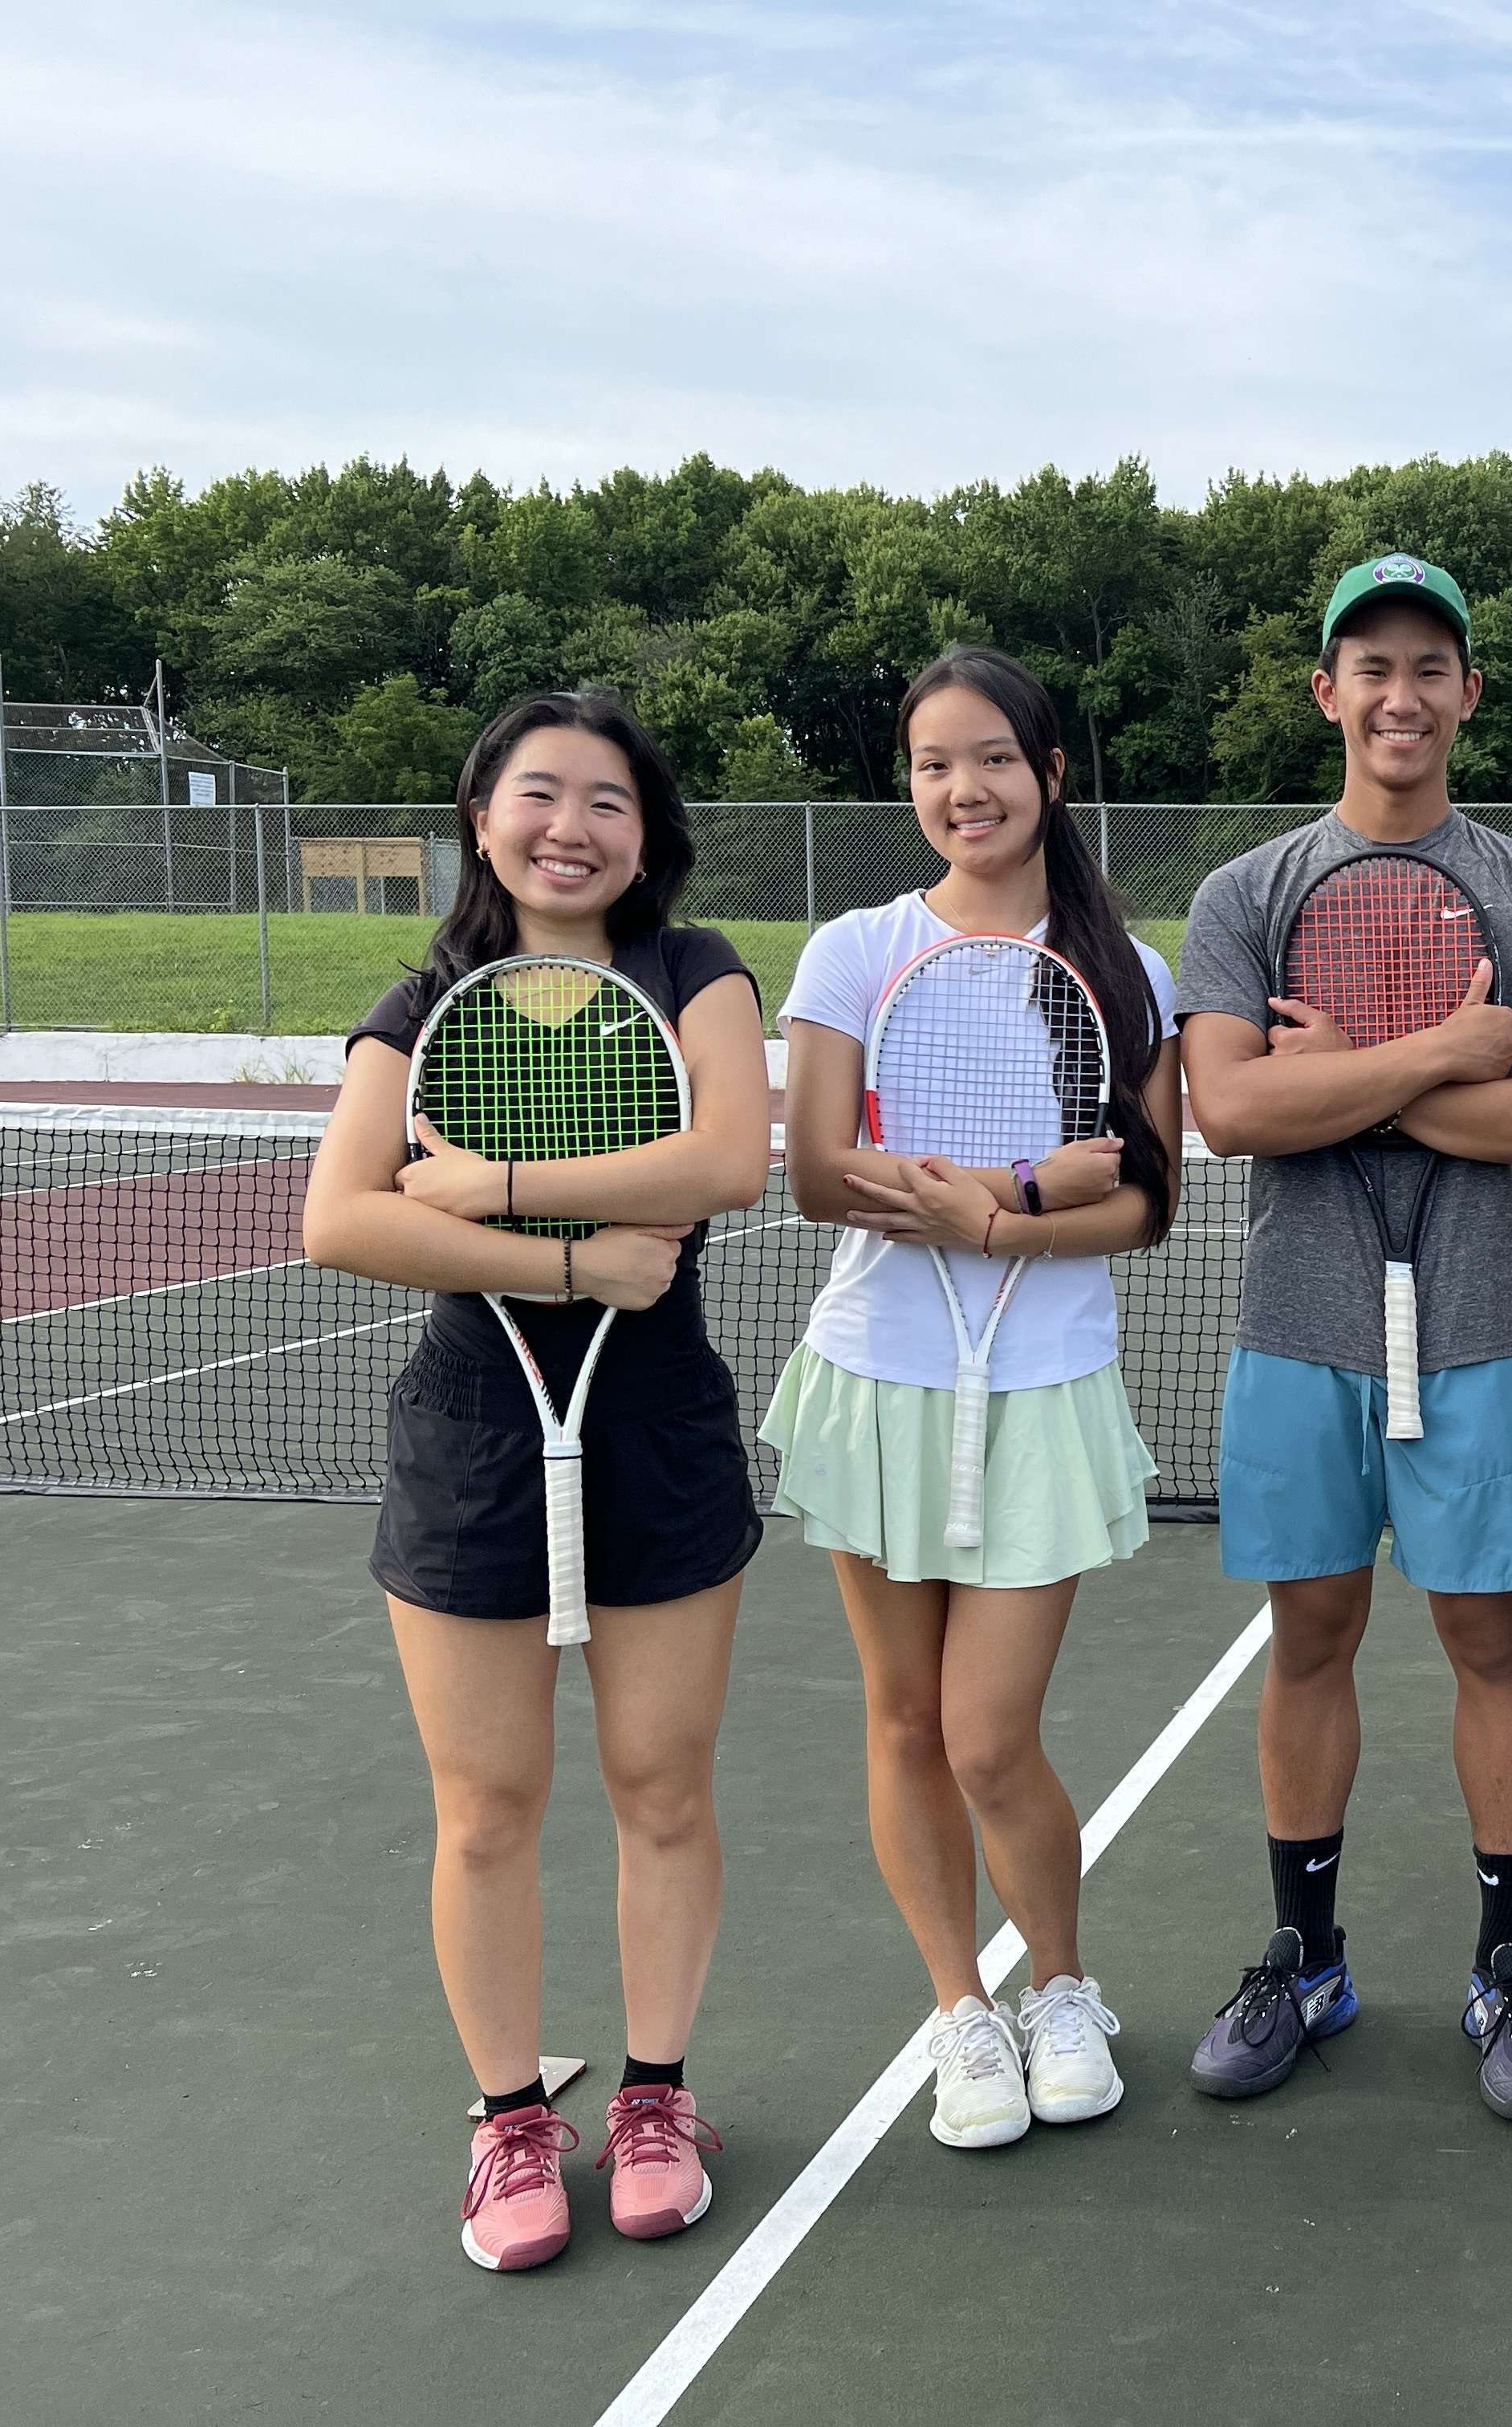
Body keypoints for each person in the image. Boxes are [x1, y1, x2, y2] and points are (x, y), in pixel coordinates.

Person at [304, 691, 772, 2273]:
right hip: (472, 1452)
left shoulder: (692, 973)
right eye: (538, 792)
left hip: (659, 1445)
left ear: (649, 836)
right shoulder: (420, 1004)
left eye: (609, 801)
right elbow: (347, 1218)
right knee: (488, 1809)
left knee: (660, 1784)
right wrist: (574, 1258)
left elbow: (723, 1163)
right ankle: (511, 2122)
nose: (571, 825)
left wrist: (491, 1186)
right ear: (481, 814)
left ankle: (655, 2095)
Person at [1176, 552, 1512, 2122]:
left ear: (1468, 692)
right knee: (1311, 1638)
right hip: (1298, 1331)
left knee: (1490, 1641)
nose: (1401, 694)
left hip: (1477, 1325)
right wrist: (1440, 1051)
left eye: (1432, 666)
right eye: (1373, 667)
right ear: (1328, 693)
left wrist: (1343, 1074)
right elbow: (1230, 1108)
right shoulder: (1246, 894)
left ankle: (1509, 1968)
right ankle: (1307, 1956)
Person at [765, 646, 1182, 2153]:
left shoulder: (1126, 974)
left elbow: (1144, 1204)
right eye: (937, 764)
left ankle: (1061, 1987)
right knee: (904, 1721)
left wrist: (996, 1215)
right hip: (877, 1379)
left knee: (989, 1734)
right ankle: (962, 2011)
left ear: (1051, 774)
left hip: (1047, 1385)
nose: (965, 789)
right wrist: (1014, 1184)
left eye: (995, 758)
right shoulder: (856, 950)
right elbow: (819, 1175)